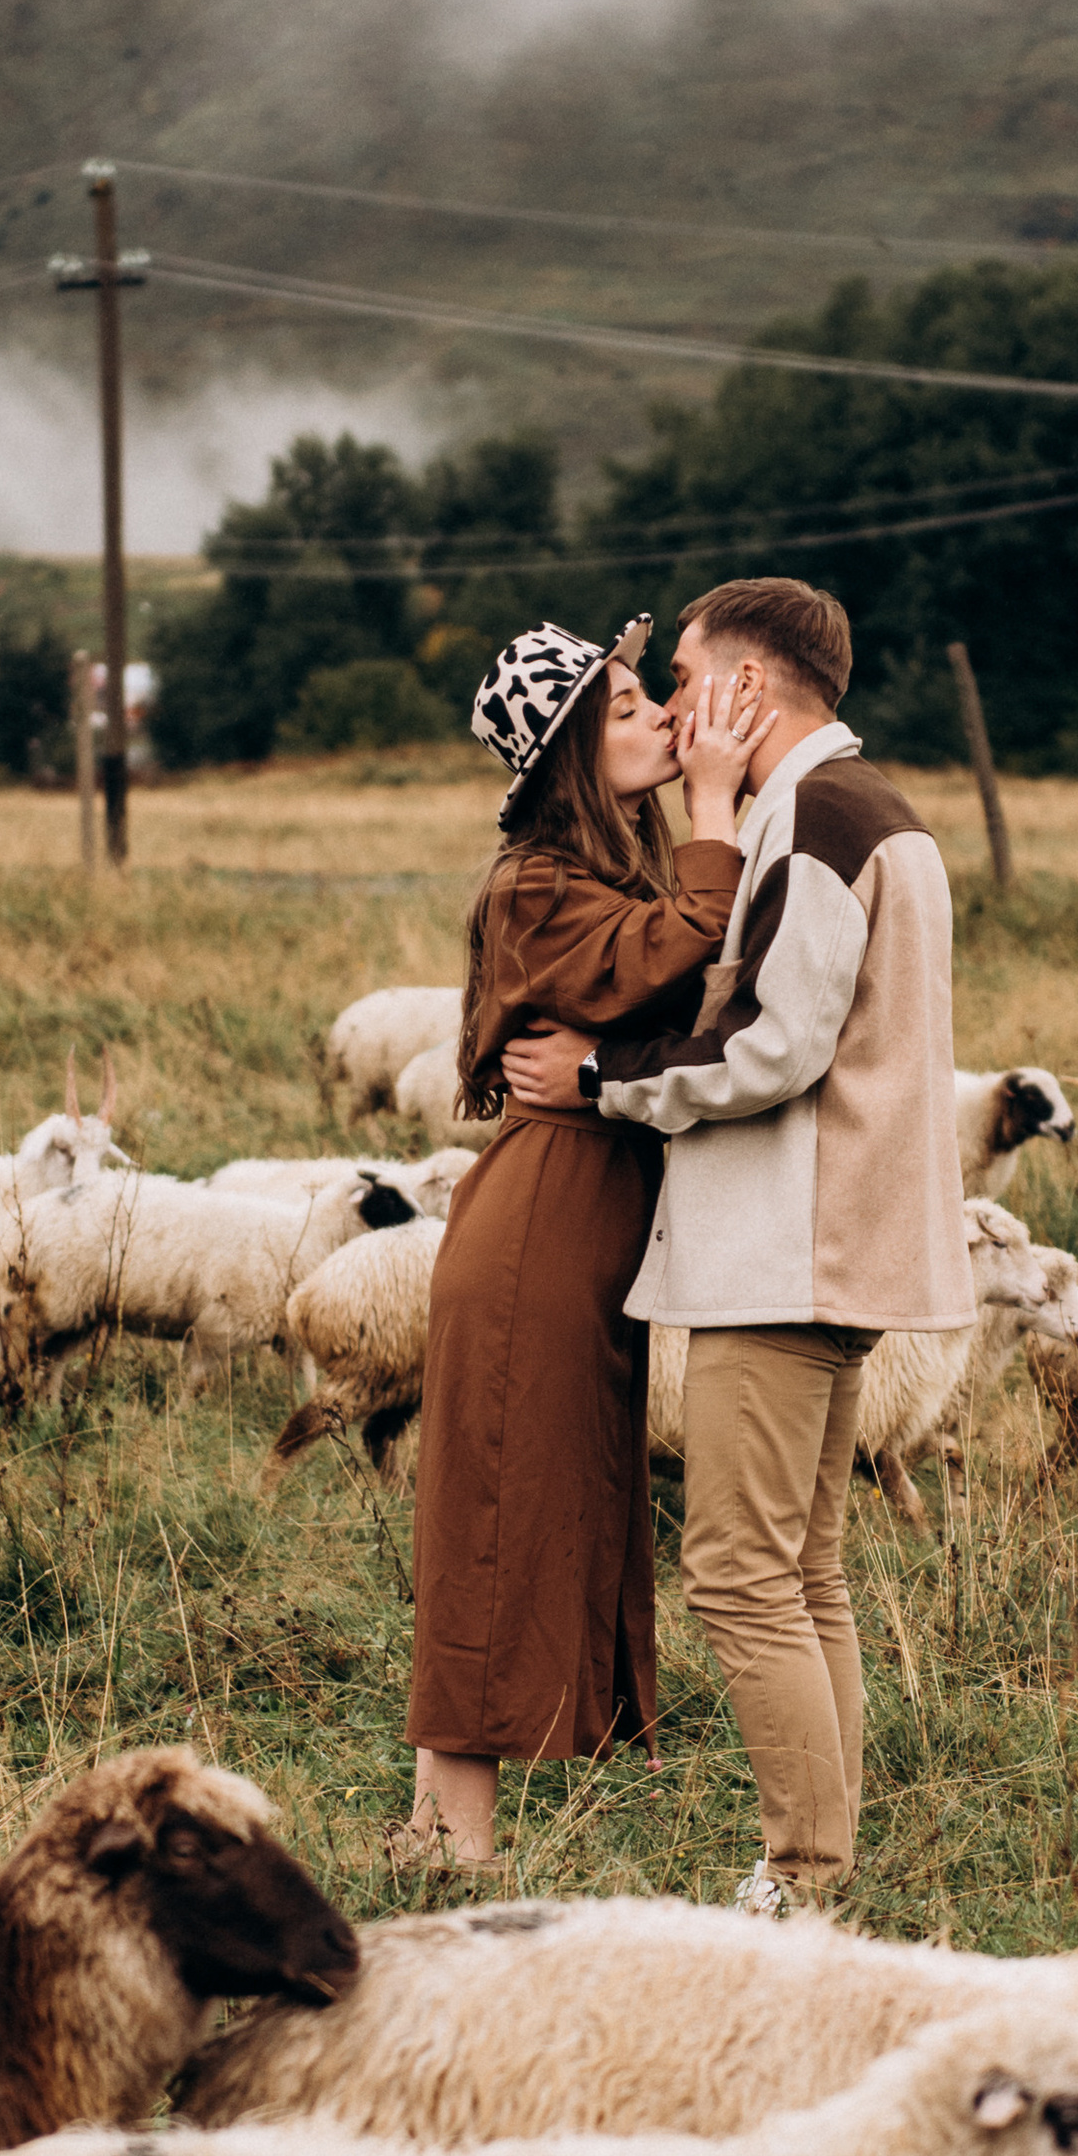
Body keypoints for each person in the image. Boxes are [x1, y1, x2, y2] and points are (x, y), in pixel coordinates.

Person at [503, 575, 971, 1911]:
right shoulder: (869, 812)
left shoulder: (817, 820)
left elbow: (770, 1044)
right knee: (803, 1569)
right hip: (834, 1240)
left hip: (787, 1245)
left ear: (746, 686)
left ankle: (804, 1874)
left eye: (685, 675)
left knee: (736, 1574)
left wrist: (599, 1076)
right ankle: (822, 1861)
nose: (671, 704)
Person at [396, 614, 768, 1870]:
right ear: (567, 755)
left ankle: (427, 1827)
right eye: (622, 708)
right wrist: (712, 806)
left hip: (580, 1216)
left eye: (644, 693)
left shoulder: (597, 871)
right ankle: (458, 1843)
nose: (659, 714)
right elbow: (673, 950)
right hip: (542, 1224)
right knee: (501, 1505)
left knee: (525, 1494)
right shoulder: (538, 881)